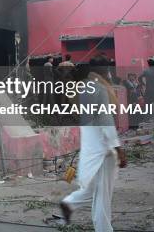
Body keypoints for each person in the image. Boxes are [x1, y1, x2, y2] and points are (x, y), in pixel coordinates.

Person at [60, 56, 127, 232]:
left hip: (91, 144)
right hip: (103, 148)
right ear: (104, 70)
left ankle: (69, 203)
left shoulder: (84, 87)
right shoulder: (99, 88)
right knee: (103, 195)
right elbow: (105, 120)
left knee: (94, 188)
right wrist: (118, 149)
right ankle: (104, 229)